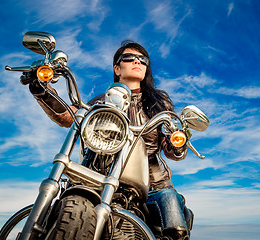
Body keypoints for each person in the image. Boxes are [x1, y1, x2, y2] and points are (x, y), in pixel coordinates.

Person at [28, 41, 190, 240]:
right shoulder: (101, 102)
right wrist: (44, 92)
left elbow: (172, 150)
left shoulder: (159, 105)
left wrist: (177, 143)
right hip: (99, 178)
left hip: (152, 186)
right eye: (129, 58)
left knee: (170, 203)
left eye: (143, 59)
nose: (137, 61)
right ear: (117, 68)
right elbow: (71, 116)